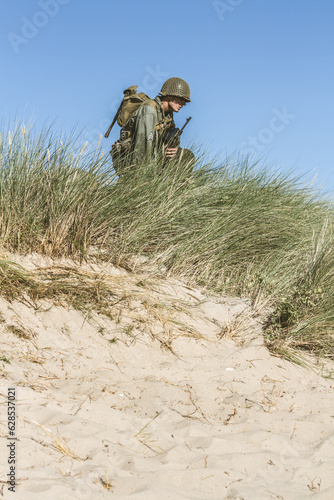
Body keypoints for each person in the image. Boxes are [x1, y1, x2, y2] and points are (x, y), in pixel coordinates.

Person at [112, 77, 195, 176]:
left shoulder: (167, 114)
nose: (184, 103)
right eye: (181, 99)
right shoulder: (149, 110)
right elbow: (142, 147)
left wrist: (173, 150)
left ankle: (177, 190)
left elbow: (167, 139)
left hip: (152, 153)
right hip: (133, 158)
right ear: (169, 95)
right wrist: (144, 179)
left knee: (186, 156)